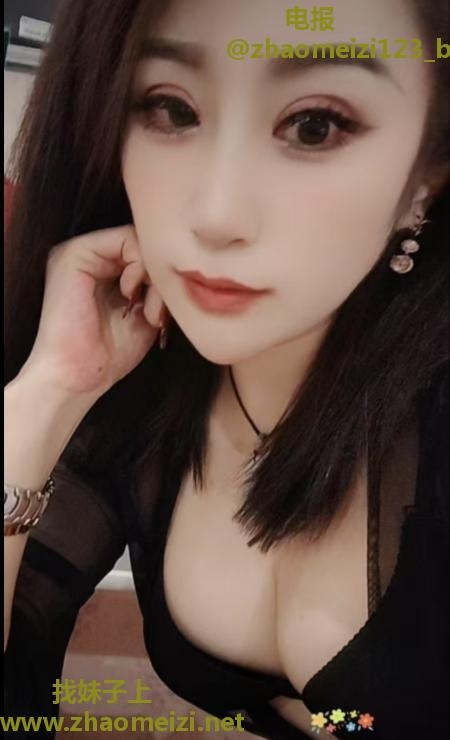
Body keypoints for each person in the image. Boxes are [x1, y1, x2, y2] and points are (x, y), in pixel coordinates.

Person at [4, 0, 449, 737]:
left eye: (315, 125)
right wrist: (45, 392)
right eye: (171, 109)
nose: (214, 214)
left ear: (430, 170)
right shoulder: (142, 380)